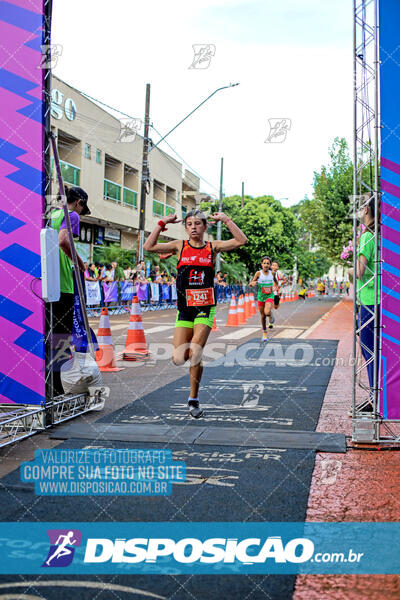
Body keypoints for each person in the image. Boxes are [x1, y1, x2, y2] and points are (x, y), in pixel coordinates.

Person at [144, 209, 247, 418]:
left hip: (205, 307)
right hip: (185, 309)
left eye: (197, 224)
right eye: (189, 224)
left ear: (205, 226)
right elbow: (149, 246)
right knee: (178, 358)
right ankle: (193, 390)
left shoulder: (213, 247)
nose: (193, 227)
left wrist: (226, 219)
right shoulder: (178, 246)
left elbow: (240, 240)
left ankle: (193, 398)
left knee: (195, 352)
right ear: (185, 227)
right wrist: (162, 223)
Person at [49, 185, 90, 397]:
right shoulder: (71, 214)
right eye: (83, 208)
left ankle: (49, 388)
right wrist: (80, 263)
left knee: (49, 338)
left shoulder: (50, 215)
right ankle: (56, 390)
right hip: (63, 285)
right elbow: (64, 240)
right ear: (79, 203)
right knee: (60, 339)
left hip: (45, 283)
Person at [348, 194, 380, 408]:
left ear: (366, 211)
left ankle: (374, 398)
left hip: (369, 301)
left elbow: (359, 272)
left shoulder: (367, 238)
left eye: (360, 208)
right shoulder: (383, 237)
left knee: (369, 351)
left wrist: (349, 271)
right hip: (384, 300)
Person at [250, 256, 278, 341]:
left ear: (269, 265)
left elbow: (276, 281)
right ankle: (264, 333)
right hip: (261, 296)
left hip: (269, 295)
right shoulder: (258, 273)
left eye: (268, 263)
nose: (266, 265)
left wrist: (276, 287)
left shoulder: (272, 273)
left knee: (267, 311)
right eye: (264, 263)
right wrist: (253, 283)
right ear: (261, 264)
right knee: (262, 316)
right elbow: (251, 283)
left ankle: (270, 315)